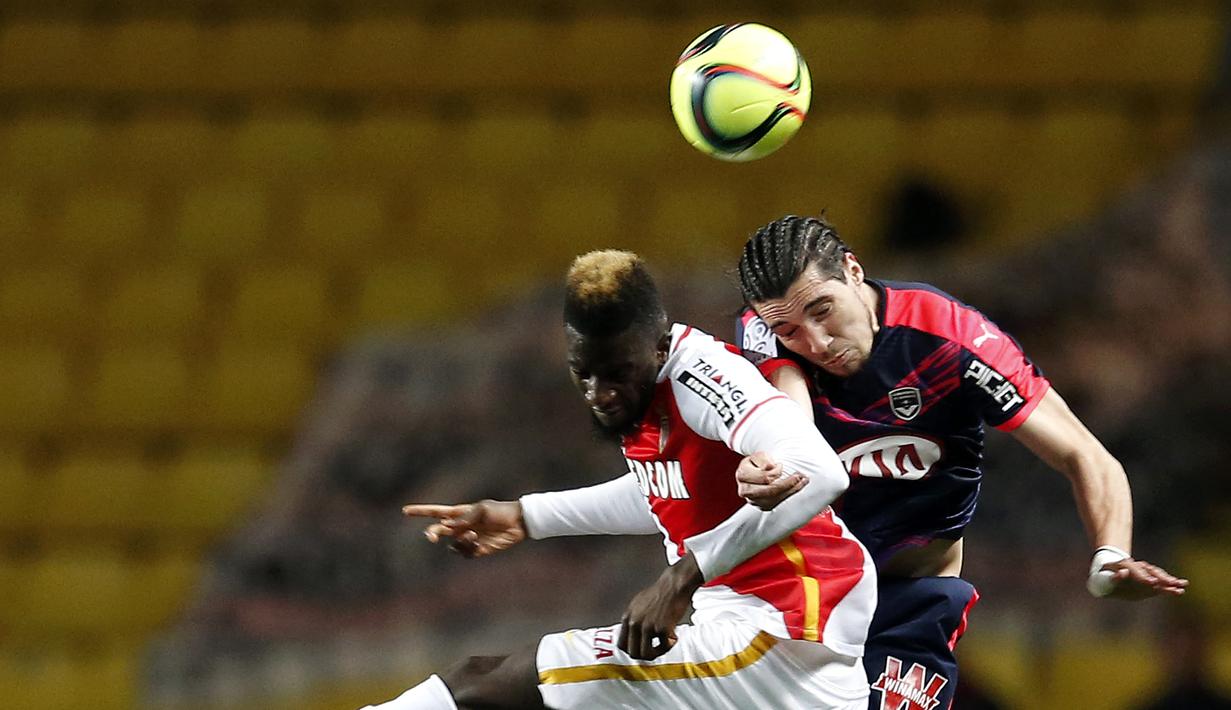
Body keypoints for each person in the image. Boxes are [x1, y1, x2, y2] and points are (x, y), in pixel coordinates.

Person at [363, 250, 877, 710]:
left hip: (786, 633)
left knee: (482, 685)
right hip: (758, 633)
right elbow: (667, 491)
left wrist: (680, 579)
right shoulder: (643, 397)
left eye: (615, 373)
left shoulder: (704, 377)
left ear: (657, 349)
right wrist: (528, 515)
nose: (599, 393)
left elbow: (820, 471)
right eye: (582, 373)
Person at [731, 214, 1189, 710]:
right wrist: (764, 463)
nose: (817, 343)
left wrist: (1112, 555)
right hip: (800, 593)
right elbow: (787, 414)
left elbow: (1086, 455)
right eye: (791, 330)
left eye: (824, 310)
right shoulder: (763, 328)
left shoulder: (951, 340)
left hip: (908, 604)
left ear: (853, 271)